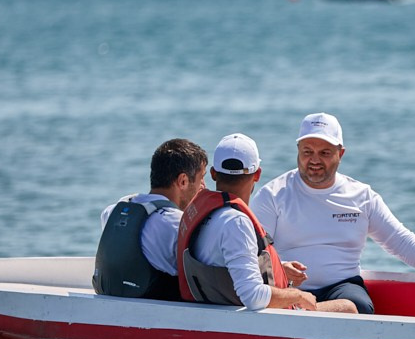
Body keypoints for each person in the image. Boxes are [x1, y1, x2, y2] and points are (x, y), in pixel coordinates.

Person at [253, 112, 415, 315]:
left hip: (341, 287)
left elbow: (397, 238)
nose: (314, 160)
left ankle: (302, 313)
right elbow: (253, 252)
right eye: (307, 152)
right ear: (298, 151)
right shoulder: (272, 195)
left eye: (325, 153)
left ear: (341, 153)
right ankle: (301, 308)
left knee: (357, 306)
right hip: (288, 288)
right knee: (344, 309)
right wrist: (280, 267)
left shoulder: (362, 196)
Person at [176, 133, 356, 313]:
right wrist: (299, 296)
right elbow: (252, 296)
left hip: (214, 309)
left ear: (214, 174)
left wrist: (280, 268)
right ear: (257, 175)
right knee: (348, 307)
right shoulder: (236, 223)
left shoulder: (202, 214)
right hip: (253, 322)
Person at [93, 138, 208, 301]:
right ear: (183, 181)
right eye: (201, 178)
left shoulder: (112, 212)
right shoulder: (177, 224)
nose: (203, 186)